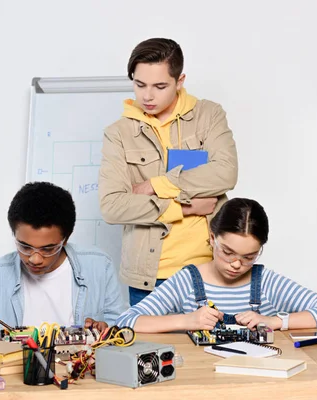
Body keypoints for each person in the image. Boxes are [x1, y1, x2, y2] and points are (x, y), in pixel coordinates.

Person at [99, 38, 238, 306]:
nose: (147, 96)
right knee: (150, 350)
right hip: (149, 278)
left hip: (210, 269)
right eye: (139, 85)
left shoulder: (209, 115)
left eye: (160, 86)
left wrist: (156, 184)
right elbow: (112, 206)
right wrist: (185, 208)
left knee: (213, 348)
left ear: (180, 80)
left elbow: (226, 173)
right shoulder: (118, 133)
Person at [115, 198, 317, 332]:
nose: (236, 264)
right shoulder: (187, 281)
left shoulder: (265, 283)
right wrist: (186, 321)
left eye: (249, 257)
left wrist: (274, 321)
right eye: (228, 252)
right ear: (212, 238)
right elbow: (126, 321)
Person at [0, 182, 126, 338]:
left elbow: (120, 328)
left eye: (48, 249)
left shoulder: (99, 266)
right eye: (25, 247)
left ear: (66, 238)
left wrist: (104, 331)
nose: (35, 259)